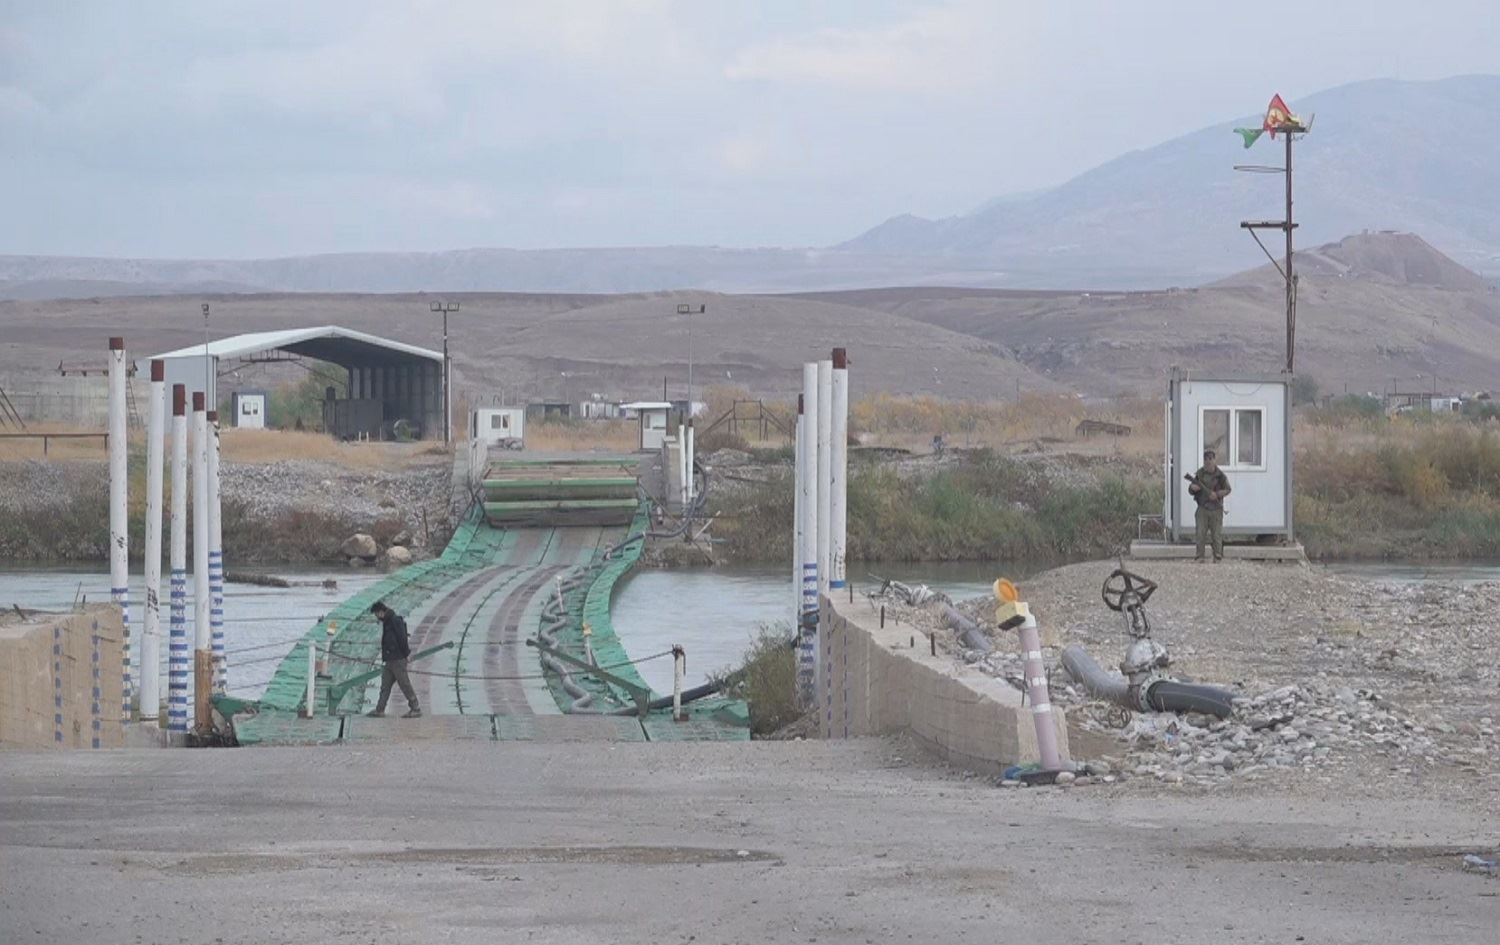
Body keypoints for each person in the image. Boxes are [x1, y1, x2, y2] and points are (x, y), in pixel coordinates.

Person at [368, 600, 421, 718]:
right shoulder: (387, 622)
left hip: (398, 660)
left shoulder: (395, 621)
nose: (377, 618)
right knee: (385, 686)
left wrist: (406, 654)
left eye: (376, 614)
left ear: (381, 612)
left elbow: (402, 638)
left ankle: (415, 708)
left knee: (404, 684)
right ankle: (380, 709)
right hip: (389, 660)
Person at [1188, 449, 1232, 563]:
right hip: (1202, 508)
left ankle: (1217, 556)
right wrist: (1193, 488)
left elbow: (1228, 489)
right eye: (1206, 459)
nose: (1208, 461)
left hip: (1216, 509)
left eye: (1210, 459)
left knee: (1216, 535)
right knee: (1200, 534)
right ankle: (1199, 556)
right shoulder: (1200, 474)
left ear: (1214, 460)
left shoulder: (1220, 475)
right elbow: (1191, 489)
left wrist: (1217, 494)